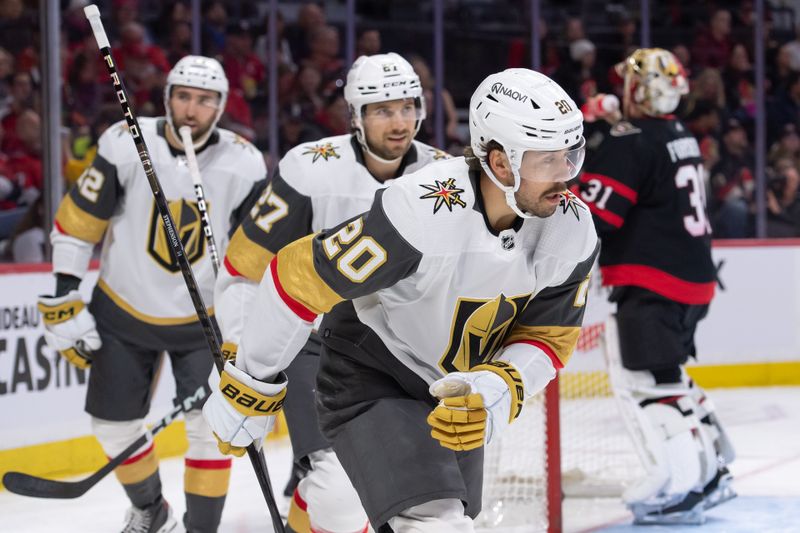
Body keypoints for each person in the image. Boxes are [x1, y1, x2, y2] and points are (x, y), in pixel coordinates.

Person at [204, 68, 598, 532]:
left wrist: (496, 388)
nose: (564, 177)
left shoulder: (571, 228)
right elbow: (296, 275)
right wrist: (250, 383)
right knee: (434, 523)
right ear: (499, 161)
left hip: (453, 391)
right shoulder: (420, 212)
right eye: (545, 161)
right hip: (372, 377)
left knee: (411, 516)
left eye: (569, 156)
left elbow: (548, 336)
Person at [215, 52, 448, 533]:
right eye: (383, 110)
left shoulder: (444, 178)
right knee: (341, 497)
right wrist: (243, 355)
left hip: (411, 353)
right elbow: (243, 268)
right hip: (318, 345)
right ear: (356, 117)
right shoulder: (309, 169)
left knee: (430, 499)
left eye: (406, 107)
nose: (399, 121)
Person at [36, 56, 266, 533]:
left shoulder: (244, 162)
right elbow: (80, 219)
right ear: (167, 98)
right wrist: (63, 296)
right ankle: (150, 508)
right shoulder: (125, 143)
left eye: (204, 100)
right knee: (112, 426)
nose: (191, 109)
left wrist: (248, 326)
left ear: (221, 106)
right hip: (123, 308)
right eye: (183, 96)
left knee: (209, 433)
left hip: (204, 319)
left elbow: (258, 254)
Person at [574, 48, 735, 525]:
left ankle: (683, 486)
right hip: (693, 280)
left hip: (652, 281)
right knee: (669, 377)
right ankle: (713, 470)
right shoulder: (680, 134)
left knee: (647, 385)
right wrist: (602, 125)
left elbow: (597, 217)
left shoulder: (632, 142)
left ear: (639, 91)